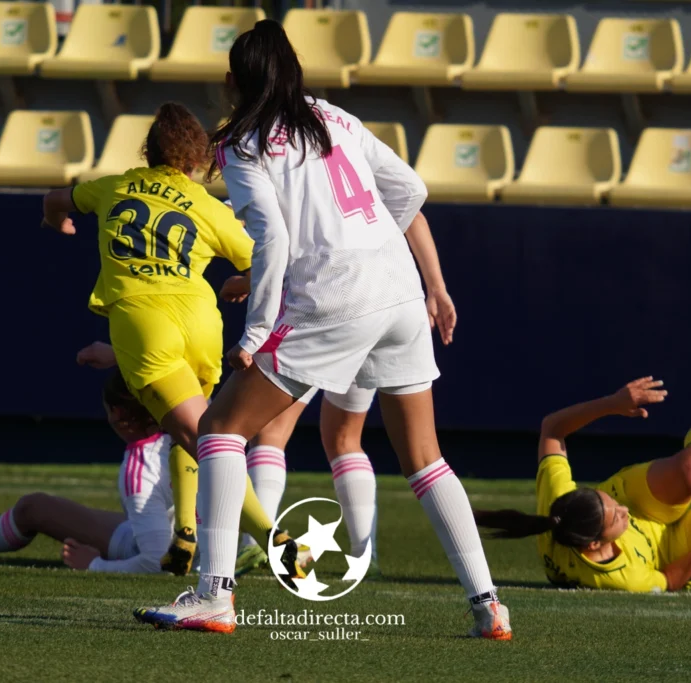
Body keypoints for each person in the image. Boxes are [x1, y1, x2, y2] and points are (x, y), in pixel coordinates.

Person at [134, 20, 511, 640]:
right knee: (425, 459)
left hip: (332, 302)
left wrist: (255, 332)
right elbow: (411, 189)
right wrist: (430, 282)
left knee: (221, 428)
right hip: (397, 292)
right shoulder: (331, 116)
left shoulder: (241, 142)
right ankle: (488, 604)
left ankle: (213, 596)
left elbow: (274, 238)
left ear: (235, 80)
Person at [40, 102, 300, 577]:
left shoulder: (114, 186)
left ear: (147, 150)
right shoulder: (207, 206)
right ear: (199, 161)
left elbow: (57, 198)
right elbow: (265, 262)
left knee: (207, 439)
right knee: (198, 429)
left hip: (147, 325)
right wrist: (241, 283)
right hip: (200, 323)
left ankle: (271, 536)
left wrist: (54, 219)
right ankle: (185, 529)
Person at [233, 210, 458, 580]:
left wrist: (251, 279)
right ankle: (363, 554)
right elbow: (412, 211)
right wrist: (436, 287)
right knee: (344, 437)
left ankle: (254, 544)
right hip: (381, 306)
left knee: (271, 431)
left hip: (319, 305)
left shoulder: (295, 163)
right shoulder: (361, 162)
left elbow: (285, 236)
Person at [474, 378, 691, 592]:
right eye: (616, 517)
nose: (623, 511)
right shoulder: (619, 580)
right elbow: (669, 580)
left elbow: (551, 427)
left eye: (607, 500)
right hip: (666, 551)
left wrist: (613, 403)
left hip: (639, 492)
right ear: (596, 544)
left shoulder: (562, 505)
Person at [0, 371, 178, 573]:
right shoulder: (199, 422)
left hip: (185, 556)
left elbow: (159, 561)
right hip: (208, 549)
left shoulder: (141, 467)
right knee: (37, 506)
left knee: (34, 508)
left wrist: (94, 565)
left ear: (117, 414)